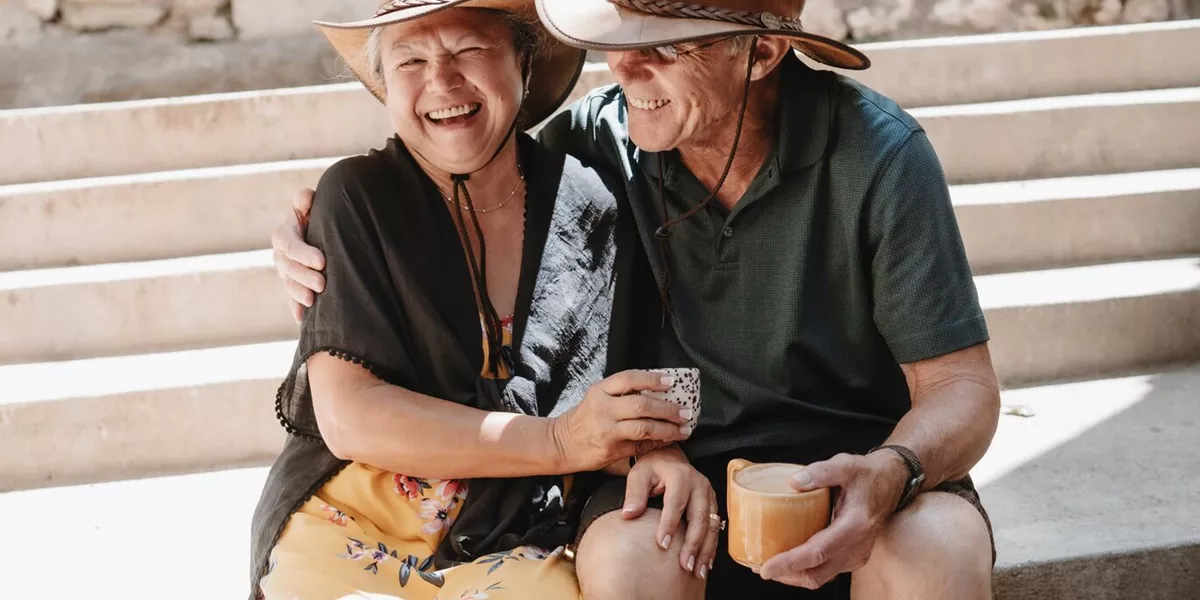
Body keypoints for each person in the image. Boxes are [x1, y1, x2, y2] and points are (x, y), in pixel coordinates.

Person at [273, 1, 1002, 599]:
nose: (624, 66)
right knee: (632, 560)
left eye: (665, 45)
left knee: (934, 551)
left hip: (863, 470)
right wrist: (317, 223)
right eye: (623, 38)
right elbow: (461, 157)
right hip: (667, 475)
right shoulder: (597, 143)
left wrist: (894, 470)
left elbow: (962, 388)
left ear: (761, 52)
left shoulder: (880, 154)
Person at [249, 1, 718, 599]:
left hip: (522, 529)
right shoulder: (357, 197)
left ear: (524, 60)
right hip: (359, 522)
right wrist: (559, 440)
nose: (441, 82)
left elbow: (616, 384)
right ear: (386, 84)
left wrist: (652, 451)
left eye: (469, 49)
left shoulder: (591, 202)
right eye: (410, 61)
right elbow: (350, 418)